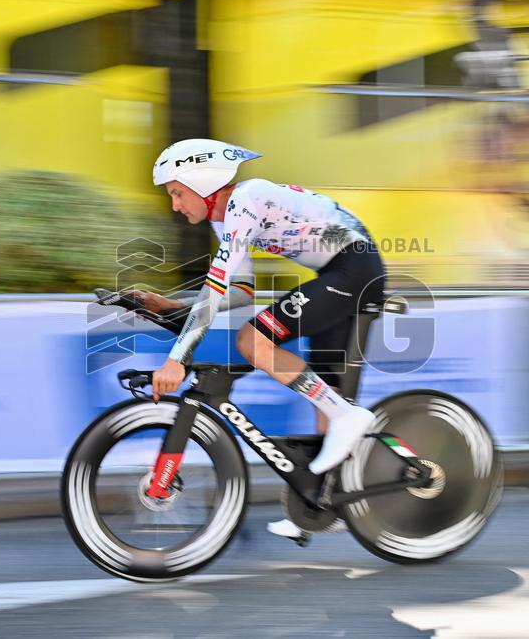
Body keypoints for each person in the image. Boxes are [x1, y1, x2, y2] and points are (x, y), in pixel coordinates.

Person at [135, 138, 386, 540]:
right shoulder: (225, 219)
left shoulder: (245, 201)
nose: (175, 205)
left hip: (355, 267)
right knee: (325, 387)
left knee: (253, 342)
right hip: (338, 273)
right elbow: (242, 292)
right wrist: (170, 305)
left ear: (202, 183)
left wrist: (176, 358)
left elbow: (215, 291)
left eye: (177, 193)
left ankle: (347, 416)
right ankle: (320, 503)